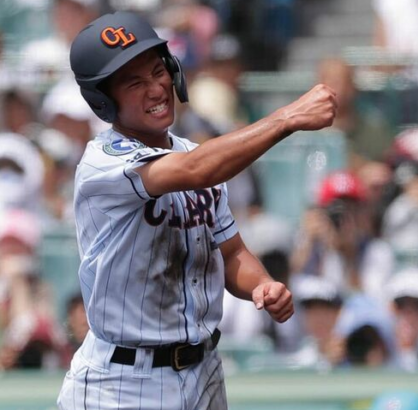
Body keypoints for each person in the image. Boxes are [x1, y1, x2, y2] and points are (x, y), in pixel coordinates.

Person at [57, 11, 336, 410]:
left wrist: (260, 284)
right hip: (122, 383)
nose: (156, 88)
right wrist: (286, 118)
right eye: (135, 82)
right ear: (104, 100)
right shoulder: (103, 162)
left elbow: (232, 252)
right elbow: (195, 170)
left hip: (202, 371)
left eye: (158, 71)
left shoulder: (192, 152)